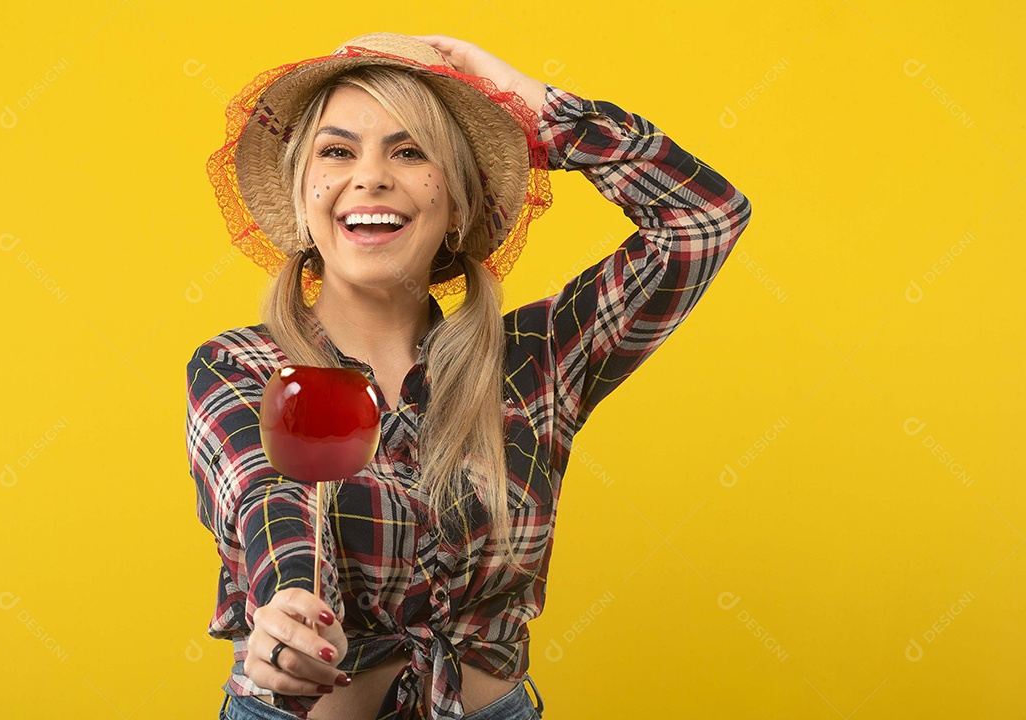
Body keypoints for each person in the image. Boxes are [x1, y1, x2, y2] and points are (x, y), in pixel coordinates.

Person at [186, 32, 752, 720]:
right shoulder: (241, 365)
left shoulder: (534, 360)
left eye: (410, 151)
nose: (370, 177)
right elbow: (272, 494)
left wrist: (538, 111)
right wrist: (290, 605)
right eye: (337, 152)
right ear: (303, 199)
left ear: (457, 204)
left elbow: (701, 220)